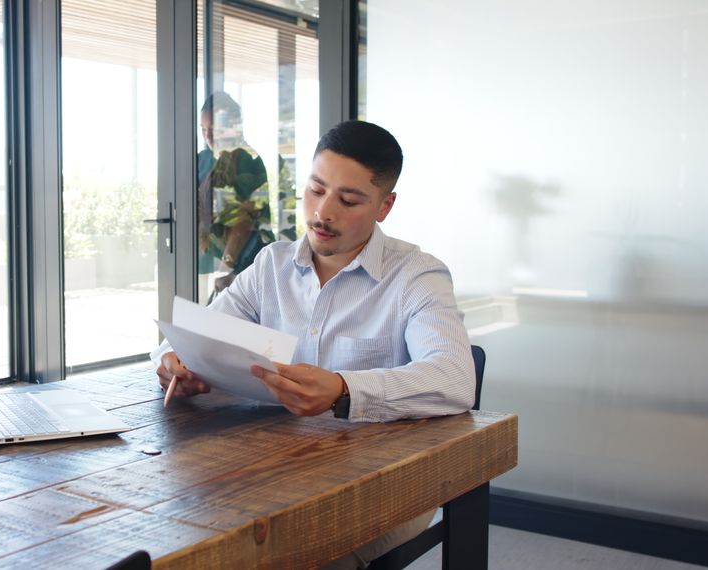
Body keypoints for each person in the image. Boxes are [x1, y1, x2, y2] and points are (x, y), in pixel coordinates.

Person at [153, 120, 475, 566]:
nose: (324, 213)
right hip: (273, 466)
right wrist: (175, 361)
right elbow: (198, 330)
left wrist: (344, 389)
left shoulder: (416, 276)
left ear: (385, 206)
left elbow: (455, 377)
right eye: (316, 189)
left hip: (382, 481)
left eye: (349, 200)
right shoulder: (272, 265)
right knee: (182, 529)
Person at [197, 92, 270, 299]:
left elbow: (244, 221)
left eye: (214, 129)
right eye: (203, 130)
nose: (208, 136)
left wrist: (225, 267)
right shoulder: (203, 160)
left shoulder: (248, 161)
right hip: (209, 260)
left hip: (239, 265)